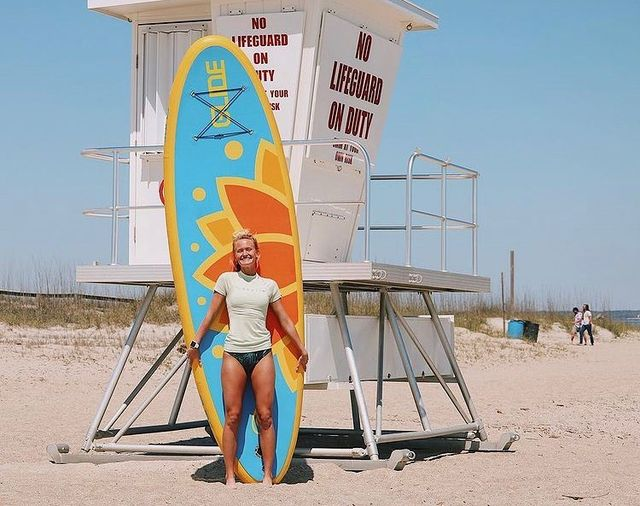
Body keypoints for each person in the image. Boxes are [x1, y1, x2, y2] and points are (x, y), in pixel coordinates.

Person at [187, 229, 308, 487]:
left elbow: (284, 320)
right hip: (234, 354)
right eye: (239, 250)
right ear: (235, 256)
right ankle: (229, 474)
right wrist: (195, 343)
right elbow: (209, 315)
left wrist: (301, 349)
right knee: (232, 415)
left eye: (248, 249)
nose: (244, 253)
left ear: (257, 253)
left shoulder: (269, 285)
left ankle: (267, 475)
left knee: (265, 415)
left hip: (262, 352)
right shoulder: (227, 280)